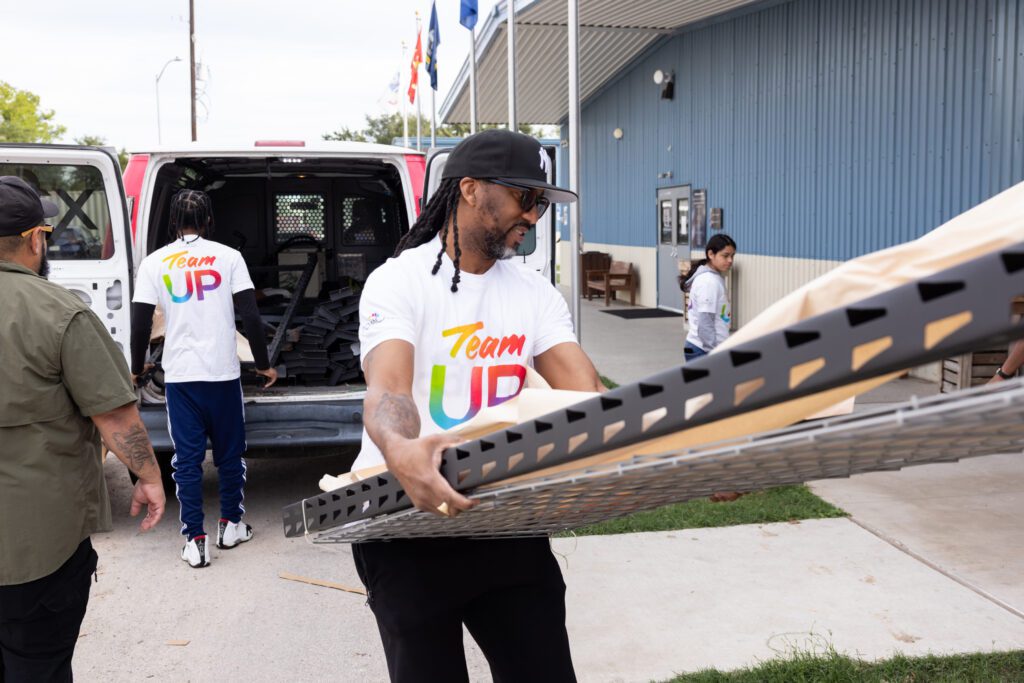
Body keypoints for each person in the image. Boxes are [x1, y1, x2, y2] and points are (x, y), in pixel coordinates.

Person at [352, 129, 604, 682]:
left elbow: (588, 399)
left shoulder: (534, 291)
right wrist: (403, 449)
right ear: (469, 189)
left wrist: (688, 451)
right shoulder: (399, 282)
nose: (534, 215)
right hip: (407, 525)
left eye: (541, 202)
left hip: (507, 520)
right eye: (525, 198)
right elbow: (389, 388)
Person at [0, 176, 166, 680]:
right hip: (35, 550)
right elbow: (114, 416)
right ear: (36, 238)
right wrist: (151, 479)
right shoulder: (60, 313)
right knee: (38, 667)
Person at [130, 189, 277, 568]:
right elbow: (250, 316)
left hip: (181, 379)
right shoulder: (230, 258)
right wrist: (263, 363)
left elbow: (141, 321)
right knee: (230, 455)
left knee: (188, 459)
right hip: (223, 375)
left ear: (172, 223)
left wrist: (136, 365)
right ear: (210, 221)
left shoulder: (154, 262)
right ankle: (231, 524)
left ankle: (195, 540)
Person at [682, 233, 737, 362]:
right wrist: (714, 353)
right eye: (725, 256)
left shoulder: (714, 278)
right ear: (711, 254)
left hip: (706, 349)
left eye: (732, 256)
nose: (730, 260)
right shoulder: (708, 282)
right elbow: (705, 321)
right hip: (703, 351)